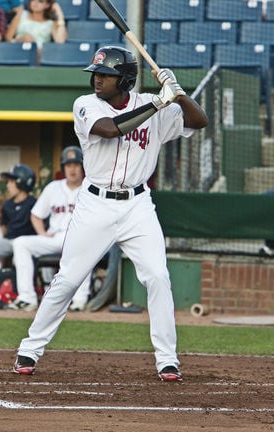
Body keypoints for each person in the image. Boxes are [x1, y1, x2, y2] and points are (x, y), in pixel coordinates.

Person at [13, 45, 208, 381]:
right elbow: (110, 128)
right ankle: (30, 349)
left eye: (106, 75)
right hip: (95, 204)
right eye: (97, 74)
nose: (98, 80)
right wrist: (160, 102)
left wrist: (178, 94)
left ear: (125, 80)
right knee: (69, 279)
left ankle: (167, 359)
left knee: (158, 276)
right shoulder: (86, 105)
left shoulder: (152, 105)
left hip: (137, 205)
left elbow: (199, 121)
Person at [8, 146, 91, 312]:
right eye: (68, 165)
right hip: (55, 237)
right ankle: (27, 298)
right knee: (20, 243)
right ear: (63, 168)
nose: (72, 169)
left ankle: (79, 299)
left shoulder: (91, 188)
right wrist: (42, 234)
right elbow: (36, 215)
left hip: (81, 238)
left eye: (76, 164)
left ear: (82, 166)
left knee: (85, 247)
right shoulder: (53, 187)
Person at [0, 164, 36, 304]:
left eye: (11, 181)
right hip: (9, 240)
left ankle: (21, 292)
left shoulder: (33, 203)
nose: (8, 185)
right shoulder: (7, 205)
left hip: (26, 242)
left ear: (22, 182)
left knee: (19, 260)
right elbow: (4, 227)